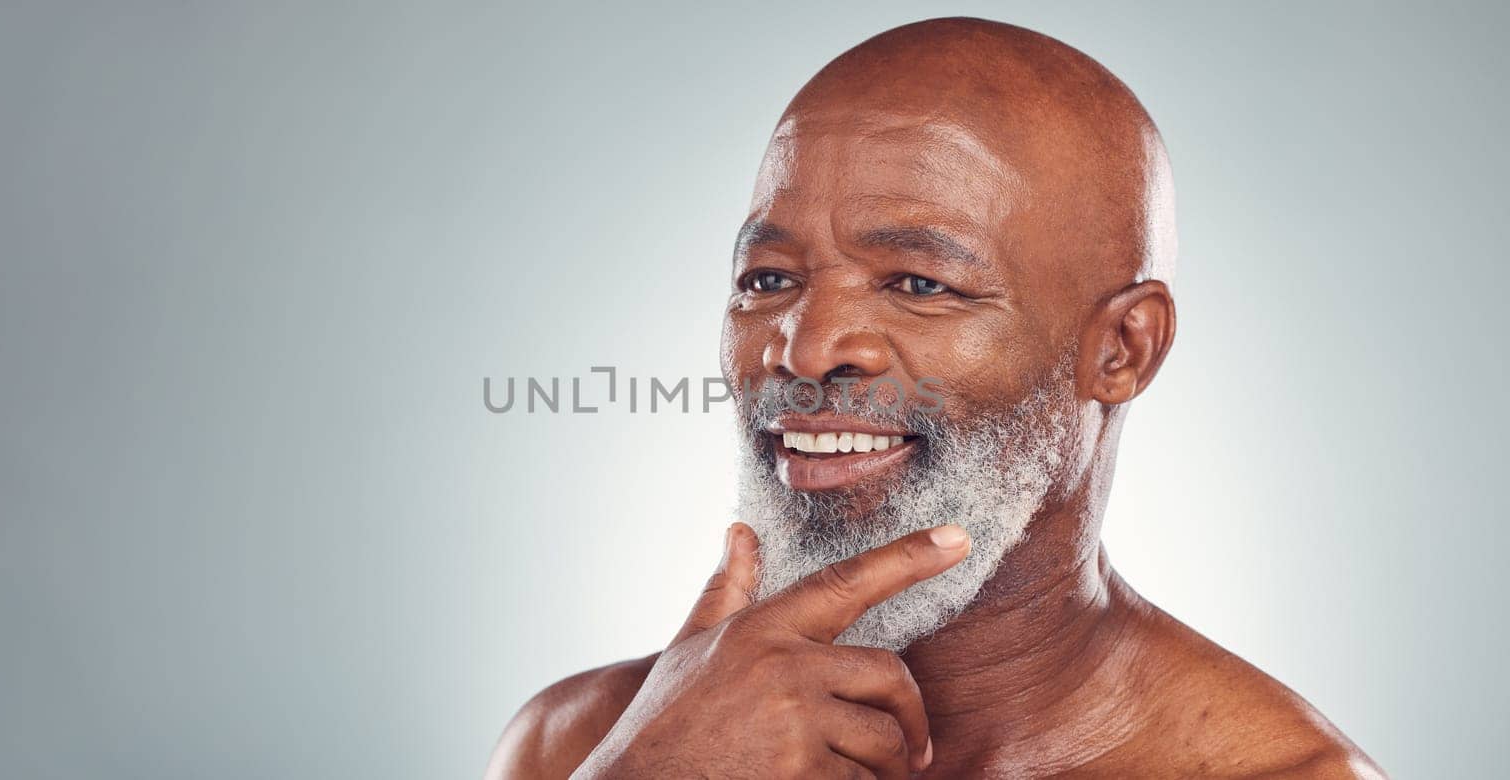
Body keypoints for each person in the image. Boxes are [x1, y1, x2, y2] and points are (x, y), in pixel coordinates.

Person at [489, 17, 1383, 778]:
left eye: (919, 285)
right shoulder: (582, 744)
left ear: (1121, 349)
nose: (803, 349)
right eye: (766, 279)